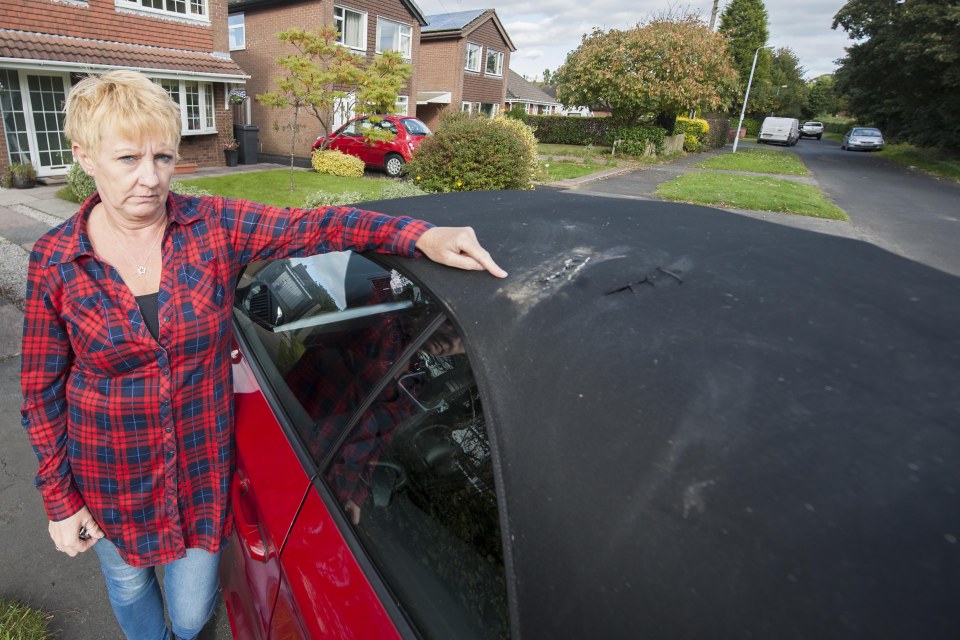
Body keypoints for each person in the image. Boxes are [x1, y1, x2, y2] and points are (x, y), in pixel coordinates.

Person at [19, 69, 506, 640]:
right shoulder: (56, 259)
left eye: (164, 158)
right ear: (84, 156)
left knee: (194, 612)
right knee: (129, 587)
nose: (151, 179)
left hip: (199, 476)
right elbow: (40, 389)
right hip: (110, 475)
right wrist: (60, 499)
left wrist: (417, 235)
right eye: (129, 159)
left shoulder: (213, 227)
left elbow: (316, 225)